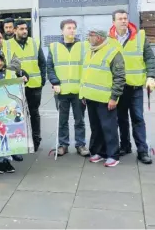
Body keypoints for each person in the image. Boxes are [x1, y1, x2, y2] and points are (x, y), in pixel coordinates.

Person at [109, 9, 155, 164]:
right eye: (120, 18)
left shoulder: (140, 37)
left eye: (125, 18)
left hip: (135, 87)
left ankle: (142, 150)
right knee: (121, 119)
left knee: (138, 118)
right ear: (113, 22)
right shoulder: (108, 40)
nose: (123, 21)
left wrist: (151, 76)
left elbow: (149, 58)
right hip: (119, 88)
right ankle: (125, 146)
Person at [79, 30, 125, 167]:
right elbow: (85, 74)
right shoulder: (89, 51)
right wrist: (83, 94)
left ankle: (113, 155)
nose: (88, 38)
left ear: (98, 38)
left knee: (109, 127)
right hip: (90, 97)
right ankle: (98, 152)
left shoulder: (113, 52)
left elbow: (120, 78)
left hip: (106, 99)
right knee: (96, 127)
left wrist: (114, 98)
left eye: (90, 36)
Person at [47, 19, 90, 157]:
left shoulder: (84, 46)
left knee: (80, 120)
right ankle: (63, 145)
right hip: (61, 91)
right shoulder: (54, 47)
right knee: (62, 120)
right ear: (62, 31)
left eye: (74, 28)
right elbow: (50, 67)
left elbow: (87, 67)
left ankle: (80, 144)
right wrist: (55, 82)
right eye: (69, 28)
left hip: (78, 91)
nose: (72, 30)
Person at [8, 20, 46, 151]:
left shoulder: (34, 43)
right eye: (21, 29)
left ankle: (36, 139)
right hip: (16, 86)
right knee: (18, 114)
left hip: (35, 85)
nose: (24, 31)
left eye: (26, 29)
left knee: (34, 113)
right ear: (14, 31)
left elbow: (42, 62)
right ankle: (21, 140)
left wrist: (42, 80)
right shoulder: (7, 45)